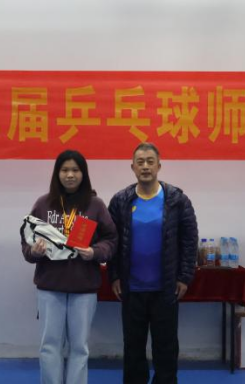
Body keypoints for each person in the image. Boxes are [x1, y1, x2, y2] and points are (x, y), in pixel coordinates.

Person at [22, 149, 117, 384]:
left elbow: (111, 239)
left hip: (84, 288)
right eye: (65, 170)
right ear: (57, 173)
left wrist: (95, 252)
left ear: (83, 174)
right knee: (49, 346)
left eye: (75, 170)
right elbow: (27, 242)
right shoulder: (43, 204)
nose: (70, 175)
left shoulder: (95, 205)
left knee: (79, 347)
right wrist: (34, 252)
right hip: (50, 287)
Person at [108, 142, 198, 384]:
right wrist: (114, 275)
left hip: (166, 289)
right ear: (132, 167)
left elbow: (189, 241)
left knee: (166, 348)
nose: (145, 166)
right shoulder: (120, 201)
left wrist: (184, 277)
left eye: (150, 161)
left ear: (159, 166)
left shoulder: (177, 200)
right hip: (131, 289)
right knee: (133, 348)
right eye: (140, 162)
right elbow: (111, 241)